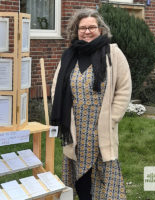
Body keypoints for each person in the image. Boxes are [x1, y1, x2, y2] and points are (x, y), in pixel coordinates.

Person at [51, 8, 131, 200]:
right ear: (76, 31)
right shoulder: (69, 55)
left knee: (104, 172)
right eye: (82, 28)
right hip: (75, 126)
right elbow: (56, 87)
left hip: (100, 126)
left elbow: (124, 89)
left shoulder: (113, 53)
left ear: (100, 30)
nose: (87, 31)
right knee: (80, 175)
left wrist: (112, 119)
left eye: (92, 27)